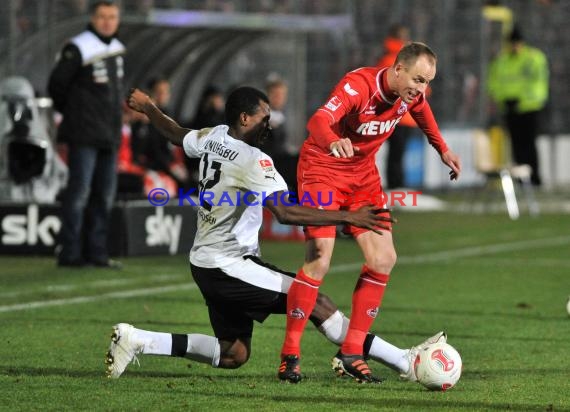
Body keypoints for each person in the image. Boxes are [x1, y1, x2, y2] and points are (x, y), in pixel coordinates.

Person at [105, 86, 447, 382]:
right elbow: (285, 212)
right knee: (318, 302)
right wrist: (349, 215)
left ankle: (138, 339)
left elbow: (177, 133)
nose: (270, 124)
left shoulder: (214, 135)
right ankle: (403, 360)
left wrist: (149, 107)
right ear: (244, 119)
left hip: (204, 263)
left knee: (233, 354)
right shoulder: (254, 161)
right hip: (229, 264)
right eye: (264, 118)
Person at [280, 42, 461, 383]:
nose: (421, 90)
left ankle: (351, 352)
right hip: (323, 170)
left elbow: (422, 112)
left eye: (427, 82)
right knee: (319, 258)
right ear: (397, 70)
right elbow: (318, 120)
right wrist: (333, 139)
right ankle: (290, 353)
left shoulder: (411, 96)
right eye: (418, 79)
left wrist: (443, 149)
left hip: (362, 177)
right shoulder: (358, 85)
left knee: (383, 259)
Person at [48, 1, 125, 268]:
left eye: (112, 16)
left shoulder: (115, 49)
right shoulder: (78, 47)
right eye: (102, 16)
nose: (107, 21)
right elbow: (56, 85)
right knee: (79, 194)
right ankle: (70, 253)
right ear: (92, 18)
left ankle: (97, 253)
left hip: (109, 135)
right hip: (83, 134)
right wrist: (74, 114)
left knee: (103, 197)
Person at [487, 26, 549, 186]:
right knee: (516, 144)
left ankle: (534, 177)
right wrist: (504, 99)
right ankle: (522, 179)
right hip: (509, 108)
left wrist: (522, 100)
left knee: (529, 143)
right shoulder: (502, 61)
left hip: (529, 108)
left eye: (517, 42)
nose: (515, 46)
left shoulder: (533, 58)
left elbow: (539, 84)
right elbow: (493, 83)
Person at [376, 24, 419, 189]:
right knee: (396, 154)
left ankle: (396, 186)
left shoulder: (392, 59)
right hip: (399, 116)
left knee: (396, 154)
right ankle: (396, 187)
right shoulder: (396, 61)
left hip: (400, 115)